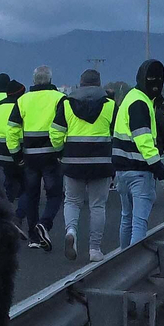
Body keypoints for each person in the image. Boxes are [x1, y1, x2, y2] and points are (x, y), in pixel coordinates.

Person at [55, 68, 115, 262]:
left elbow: (55, 133)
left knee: (72, 201)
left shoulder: (66, 103)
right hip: (102, 163)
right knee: (98, 206)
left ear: (80, 84)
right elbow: (117, 133)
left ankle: (71, 231)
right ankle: (94, 250)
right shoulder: (110, 105)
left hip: (73, 161)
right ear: (99, 84)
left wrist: (60, 152)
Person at [7, 65, 67, 250]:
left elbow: (12, 129)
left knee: (32, 195)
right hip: (51, 155)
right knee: (54, 194)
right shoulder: (59, 98)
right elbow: (63, 127)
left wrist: (16, 154)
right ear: (50, 80)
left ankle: (33, 238)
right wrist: (60, 152)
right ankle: (45, 224)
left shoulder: (23, 100)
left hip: (30, 155)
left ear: (33, 80)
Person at [113, 60, 164, 247]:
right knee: (139, 222)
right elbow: (144, 142)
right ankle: (134, 261)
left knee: (126, 219)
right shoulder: (140, 103)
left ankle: (123, 258)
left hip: (122, 170)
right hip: (139, 170)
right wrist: (162, 174)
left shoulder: (131, 98)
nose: (156, 83)